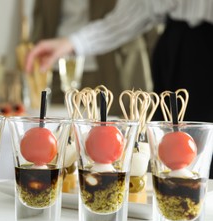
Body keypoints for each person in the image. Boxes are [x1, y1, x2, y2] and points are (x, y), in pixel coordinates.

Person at [26, 0, 213, 178]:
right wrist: (73, 43)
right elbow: (135, 12)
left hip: (203, 49)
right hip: (176, 47)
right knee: (170, 164)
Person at [29, 0, 157, 117]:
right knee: (60, 130)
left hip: (114, 66)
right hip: (59, 67)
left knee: (114, 129)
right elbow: (41, 20)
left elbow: (143, 16)